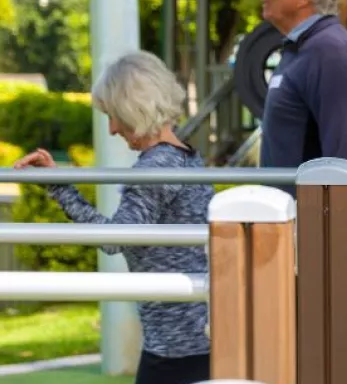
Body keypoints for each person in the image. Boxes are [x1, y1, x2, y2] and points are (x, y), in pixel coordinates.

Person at [14, 51, 213, 384]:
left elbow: (112, 240)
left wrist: (60, 188)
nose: (112, 129)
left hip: (177, 345)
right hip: (188, 334)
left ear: (134, 108)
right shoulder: (188, 157)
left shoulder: (157, 167)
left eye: (114, 116)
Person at [242, 0, 347, 209]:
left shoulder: (329, 52)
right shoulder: (307, 47)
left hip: (317, 237)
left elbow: (346, 161)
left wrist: (330, 241)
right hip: (298, 228)